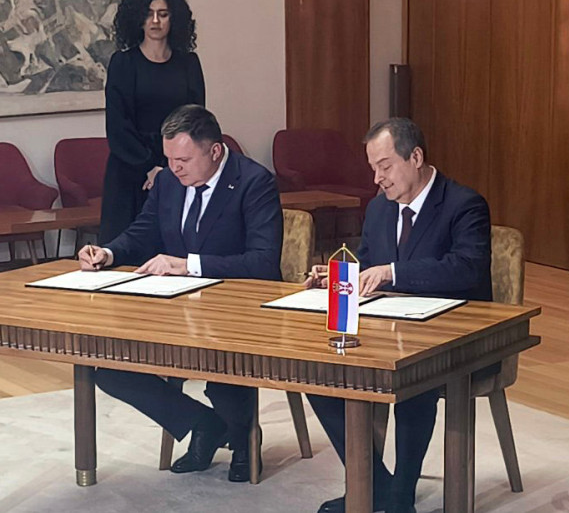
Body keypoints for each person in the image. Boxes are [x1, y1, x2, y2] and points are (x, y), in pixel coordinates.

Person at [79, 104, 283, 483]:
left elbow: (263, 262)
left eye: (184, 160)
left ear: (215, 151)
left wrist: (189, 264)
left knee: (223, 367)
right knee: (111, 369)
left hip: (237, 311)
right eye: (169, 158)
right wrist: (108, 253)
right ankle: (203, 424)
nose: (174, 168)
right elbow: (144, 231)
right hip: (174, 308)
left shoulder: (254, 182)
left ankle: (244, 440)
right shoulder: (169, 182)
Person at [306, 117, 492, 513]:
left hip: (453, 336)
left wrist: (393, 273)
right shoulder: (379, 209)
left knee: (413, 378)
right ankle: (375, 485)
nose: (377, 178)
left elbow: (466, 269)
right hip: (389, 330)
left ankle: (401, 494)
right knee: (316, 372)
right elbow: (370, 265)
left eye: (385, 166)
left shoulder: (464, 204)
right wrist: (339, 277)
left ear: (416, 158)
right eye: (373, 167)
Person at [100, 0, 205, 243]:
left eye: (163, 14)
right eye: (148, 14)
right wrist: (148, 167)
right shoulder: (123, 63)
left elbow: (196, 119)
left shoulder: (189, 63)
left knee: (174, 247)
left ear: (174, 19)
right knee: (125, 249)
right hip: (130, 168)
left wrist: (167, 167)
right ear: (138, 18)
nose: (155, 21)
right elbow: (118, 125)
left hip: (178, 167)